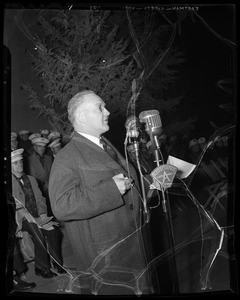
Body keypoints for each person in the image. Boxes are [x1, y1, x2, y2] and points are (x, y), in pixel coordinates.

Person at [49, 90, 154, 295]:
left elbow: (129, 185)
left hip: (131, 249)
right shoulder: (67, 156)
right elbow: (62, 205)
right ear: (81, 117)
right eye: (99, 107)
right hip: (106, 261)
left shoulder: (106, 146)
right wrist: (110, 189)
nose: (107, 111)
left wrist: (153, 183)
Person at [11, 148, 66, 278]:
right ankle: (42, 268)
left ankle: (57, 263)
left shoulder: (31, 179)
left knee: (53, 230)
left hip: (36, 215)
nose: (20, 165)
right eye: (16, 163)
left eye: (21, 161)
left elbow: (40, 198)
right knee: (38, 232)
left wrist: (42, 213)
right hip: (20, 218)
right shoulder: (10, 183)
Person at [26, 136, 53, 215]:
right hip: (36, 189)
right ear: (34, 147)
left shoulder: (49, 158)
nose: (42, 149)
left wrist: (48, 183)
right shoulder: (28, 160)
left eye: (43, 147)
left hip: (48, 188)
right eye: (39, 146)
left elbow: (51, 173)